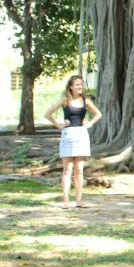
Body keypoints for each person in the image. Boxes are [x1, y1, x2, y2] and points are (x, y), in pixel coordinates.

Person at [44, 75, 102, 208]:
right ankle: (66, 201)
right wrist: (59, 125)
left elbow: (98, 114)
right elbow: (48, 114)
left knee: (79, 170)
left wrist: (89, 124)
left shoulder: (85, 100)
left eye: (81, 84)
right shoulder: (65, 100)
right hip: (68, 135)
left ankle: (79, 201)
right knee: (67, 169)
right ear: (71, 87)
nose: (80, 86)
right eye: (77, 84)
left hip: (81, 134)